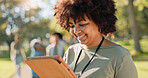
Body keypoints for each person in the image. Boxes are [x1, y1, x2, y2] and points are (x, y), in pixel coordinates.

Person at [54, 0, 138, 78]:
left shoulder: (120, 56)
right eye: (72, 26)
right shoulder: (71, 52)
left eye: (82, 24)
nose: (75, 31)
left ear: (100, 22)